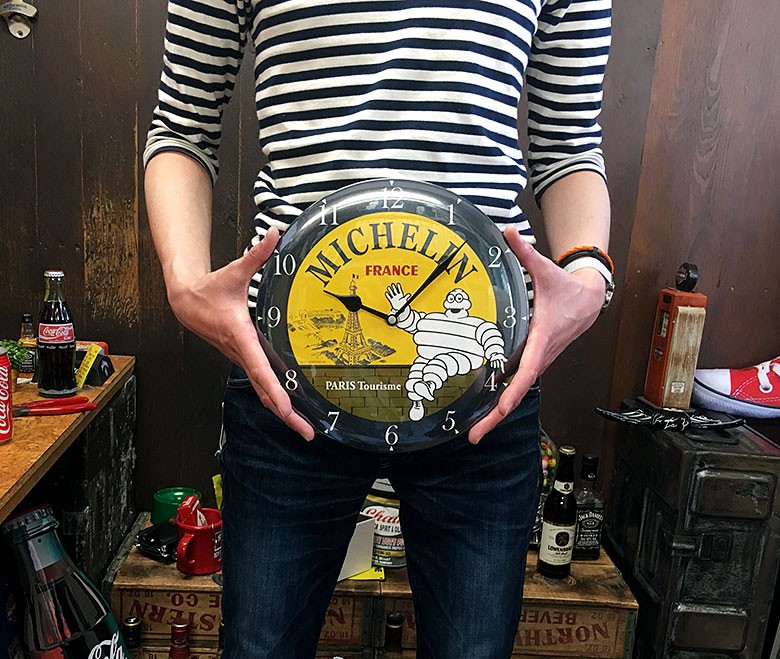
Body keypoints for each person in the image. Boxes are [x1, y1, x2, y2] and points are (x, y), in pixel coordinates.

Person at [143, 0, 613, 657]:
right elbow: (182, 125)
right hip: (287, 376)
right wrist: (184, 281)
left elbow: (570, 143)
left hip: (487, 388)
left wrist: (589, 273)